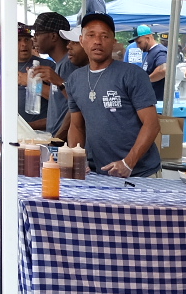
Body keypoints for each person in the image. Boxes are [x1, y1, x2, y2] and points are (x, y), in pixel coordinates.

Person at [64, 13, 161, 178]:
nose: (97, 41)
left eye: (104, 36)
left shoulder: (132, 74)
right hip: (99, 174)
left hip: (141, 174)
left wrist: (128, 163)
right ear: (81, 40)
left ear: (114, 41)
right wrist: (77, 158)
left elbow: (152, 124)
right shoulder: (75, 79)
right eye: (91, 35)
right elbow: (76, 126)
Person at [28, 13, 75, 139]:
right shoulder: (59, 65)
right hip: (54, 138)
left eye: (37, 34)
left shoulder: (68, 65)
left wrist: (58, 138)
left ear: (53, 36)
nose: (33, 39)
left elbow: (76, 106)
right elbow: (58, 114)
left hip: (64, 141)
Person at [17, 27, 55, 131]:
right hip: (10, 131)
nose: (24, 44)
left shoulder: (47, 66)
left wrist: (32, 83)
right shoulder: (1, 66)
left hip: (39, 132)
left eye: (27, 39)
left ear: (32, 42)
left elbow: (58, 98)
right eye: (18, 40)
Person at [131, 25, 168, 101]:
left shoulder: (159, 51)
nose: (138, 46)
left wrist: (146, 80)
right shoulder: (150, 52)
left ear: (147, 38)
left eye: (139, 42)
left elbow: (163, 69)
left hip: (158, 100)